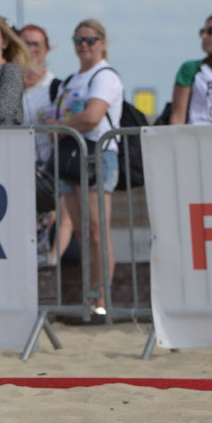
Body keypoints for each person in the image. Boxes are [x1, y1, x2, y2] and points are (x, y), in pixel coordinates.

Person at [47, 19, 123, 316]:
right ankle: (91, 297)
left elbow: (92, 116)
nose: (83, 45)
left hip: (97, 155)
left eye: (90, 40)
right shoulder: (72, 79)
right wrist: (61, 125)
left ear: (102, 43)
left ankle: (102, 299)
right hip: (71, 156)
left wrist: (58, 125)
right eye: (78, 39)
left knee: (96, 230)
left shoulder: (105, 76)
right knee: (79, 230)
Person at [19, 24, 74, 266]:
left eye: (35, 44)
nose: (30, 50)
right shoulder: (7, 88)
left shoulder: (57, 88)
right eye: (25, 44)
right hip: (17, 171)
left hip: (49, 171)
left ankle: (49, 262)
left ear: (47, 49)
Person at [167, 14, 212, 125]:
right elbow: (178, 116)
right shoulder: (191, 69)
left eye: (210, 31)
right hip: (198, 138)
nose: (204, 36)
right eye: (202, 31)